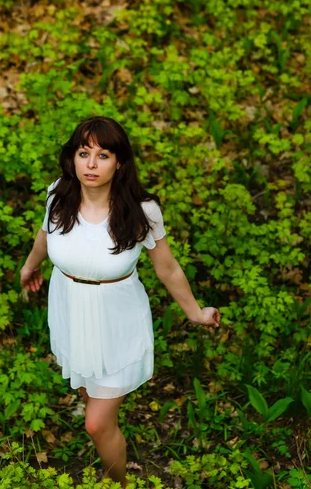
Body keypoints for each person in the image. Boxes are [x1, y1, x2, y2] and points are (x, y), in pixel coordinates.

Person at [20, 116, 220, 488]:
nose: (91, 164)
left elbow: (168, 269)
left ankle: (118, 484)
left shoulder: (141, 211)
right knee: (89, 394)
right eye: (84, 153)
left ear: (120, 163)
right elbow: (44, 236)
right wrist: (29, 267)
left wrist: (195, 312)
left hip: (118, 321)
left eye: (103, 155)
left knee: (95, 423)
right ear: (73, 158)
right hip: (71, 310)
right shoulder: (59, 194)